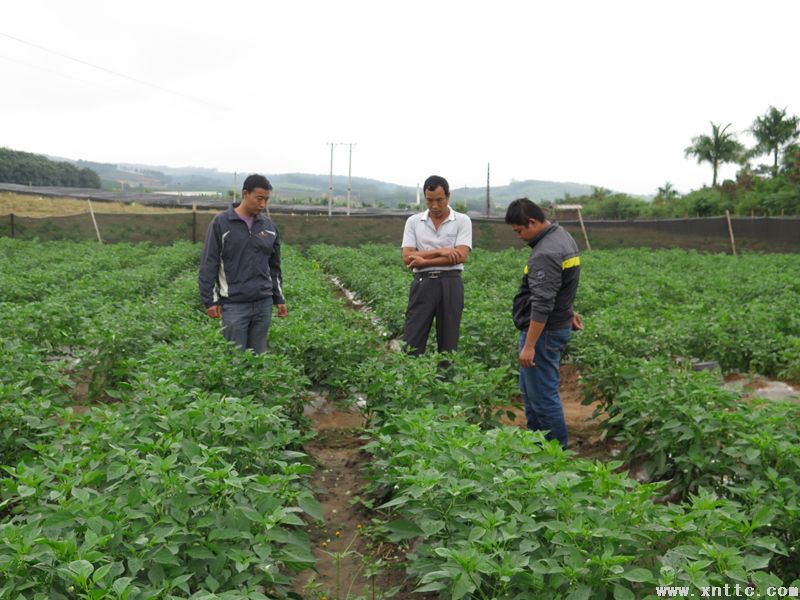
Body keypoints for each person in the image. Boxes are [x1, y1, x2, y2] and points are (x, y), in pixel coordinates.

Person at [505, 197, 582, 449]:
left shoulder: (545, 253)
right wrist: (567, 310)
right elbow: (564, 284)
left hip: (543, 333)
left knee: (543, 398)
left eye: (519, 231)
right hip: (554, 325)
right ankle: (537, 450)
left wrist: (530, 345)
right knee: (531, 394)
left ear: (532, 222)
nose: (518, 236)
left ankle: (555, 456)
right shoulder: (562, 236)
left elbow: (542, 302)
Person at [198, 173, 288, 353]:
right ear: (245, 194)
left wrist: (279, 297)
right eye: (259, 198)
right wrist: (210, 301)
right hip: (234, 304)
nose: (263, 204)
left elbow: (274, 267)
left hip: (263, 303)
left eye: (266, 200)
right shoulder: (221, 223)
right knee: (235, 361)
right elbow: (210, 263)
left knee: (258, 359)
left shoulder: (269, 227)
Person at [401, 175, 472, 355]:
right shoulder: (414, 222)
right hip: (423, 283)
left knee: (448, 343)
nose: (434, 206)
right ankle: (412, 379)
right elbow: (407, 257)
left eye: (439, 200)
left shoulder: (462, 220)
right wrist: (442, 251)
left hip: (451, 283)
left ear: (448, 196)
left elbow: (461, 256)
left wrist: (424, 261)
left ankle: (445, 382)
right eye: (430, 200)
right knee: (412, 340)